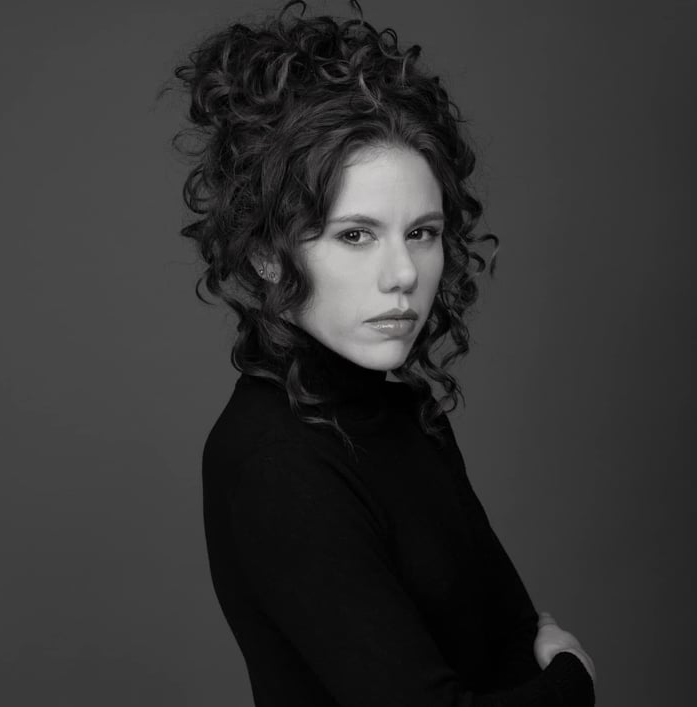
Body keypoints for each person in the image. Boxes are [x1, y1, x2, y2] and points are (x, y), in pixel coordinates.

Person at [171, 1, 597, 704]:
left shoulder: (406, 411)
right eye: (356, 235)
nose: (402, 273)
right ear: (267, 255)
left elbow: (513, 638)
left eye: (421, 233)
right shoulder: (272, 460)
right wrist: (574, 680)